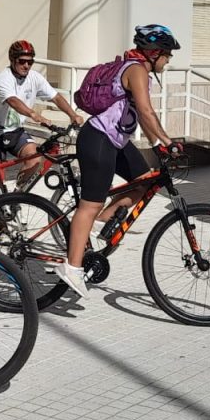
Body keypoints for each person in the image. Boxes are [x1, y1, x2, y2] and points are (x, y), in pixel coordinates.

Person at [55, 24, 180, 298]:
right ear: (154, 52)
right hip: (97, 140)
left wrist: (158, 145)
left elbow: (141, 115)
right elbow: (146, 112)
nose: (169, 60)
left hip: (116, 142)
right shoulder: (136, 70)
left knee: (145, 183)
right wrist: (168, 142)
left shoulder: (139, 70)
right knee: (90, 204)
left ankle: (101, 221)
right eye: (167, 54)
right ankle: (73, 266)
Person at [0, 40, 84, 189]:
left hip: (16, 131)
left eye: (30, 62)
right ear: (12, 60)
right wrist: (34, 114)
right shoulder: (3, 78)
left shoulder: (34, 78)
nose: (26, 66)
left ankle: (16, 195)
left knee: (35, 159)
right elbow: (13, 100)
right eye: (22, 61)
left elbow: (55, 97)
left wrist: (72, 115)